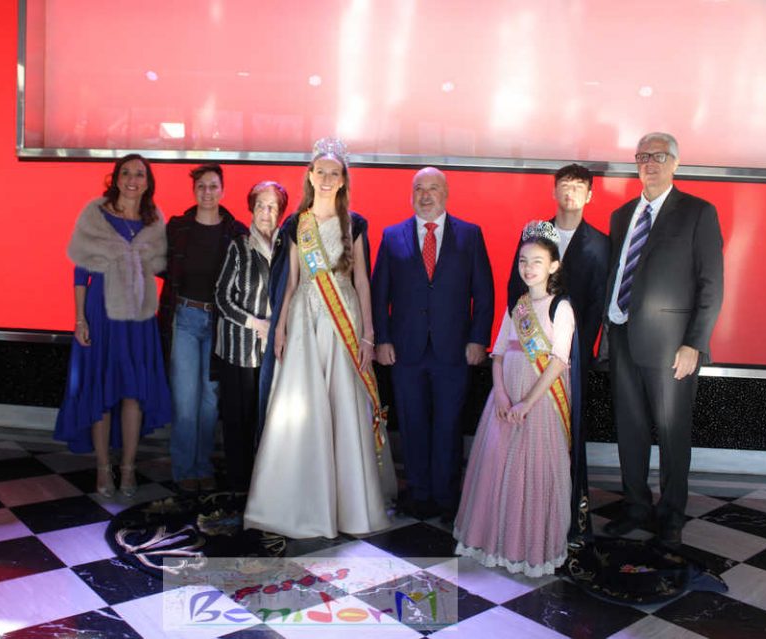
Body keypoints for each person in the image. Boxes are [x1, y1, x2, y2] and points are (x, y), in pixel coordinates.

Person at [244, 139, 396, 539]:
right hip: (305, 319)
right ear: (310, 176)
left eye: (335, 173)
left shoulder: (355, 223)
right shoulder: (297, 224)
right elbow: (292, 281)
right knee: (304, 406)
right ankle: (300, 503)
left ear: (343, 180)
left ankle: (348, 506)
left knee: (342, 405)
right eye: (321, 172)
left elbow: (362, 281)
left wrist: (368, 334)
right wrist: (280, 327)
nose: (327, 179)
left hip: (344, 316)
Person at [602, 132, 724, 549]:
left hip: (673, 346)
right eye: (642, 156)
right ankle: (635, 506)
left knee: (673, 433)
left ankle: (671, 515)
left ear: (675, 163)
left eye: (658, 156)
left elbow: (711, 284)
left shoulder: (698, 212)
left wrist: (695, 343)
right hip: (622, 336)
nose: (649, 163)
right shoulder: (621, 216)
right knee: (630, 429)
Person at [371, 167, 494, 522]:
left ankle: (445, 495)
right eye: (419, 189)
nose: (426, 195)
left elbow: (484, 294)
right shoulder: (392, 236)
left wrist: (478, 339)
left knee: (449, 424)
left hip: (454, 350)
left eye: (433, 188)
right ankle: (419, 492)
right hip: (405, 350)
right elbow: (379, 295)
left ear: (446, 193)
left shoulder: (470, 235)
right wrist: (382, 339)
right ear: (411, 195)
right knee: (411, 423)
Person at [455, 221, 575, 577]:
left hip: (540, 404)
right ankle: (494, 541)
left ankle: (528, 547)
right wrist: (503, 396)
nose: (528, 268)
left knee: (532, 475)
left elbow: (558, 363)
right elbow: (497, 355)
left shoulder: (561, 308)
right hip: (505, 403)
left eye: (537, 261)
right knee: (497, 471)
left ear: (553, 265)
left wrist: (526, 403)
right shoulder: (517, 306)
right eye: (523, 260)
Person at [55, 154, 173, 498]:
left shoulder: (154, 221)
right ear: (116, 178)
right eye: (126, 173)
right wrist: (80, 319)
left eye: (139, 174)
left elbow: (164, 267)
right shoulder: (96, 214)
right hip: (102, 313)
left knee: (134, 393)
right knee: (101, 392)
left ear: (148, 182)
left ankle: (129, 468)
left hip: (139, 317)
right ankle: (103, 467)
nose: (132, 180)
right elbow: (80, 272)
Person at [506, 163, 609, 542]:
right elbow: (514, 291)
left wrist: (578, 351)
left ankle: (565, 516)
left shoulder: (600, 243)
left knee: (567, 433)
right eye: (564, 185)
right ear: (553, 191)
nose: (570, 192)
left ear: (589, 195)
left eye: (579, 186)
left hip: (570, 357)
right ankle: (520, 513)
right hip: (527, 354)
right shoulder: (533, 234)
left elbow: (597, 303)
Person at [158, 164, 248, 492]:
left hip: (220, 323)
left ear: (222, 190)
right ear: (193, 190)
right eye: (201, 186)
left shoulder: (236, 231)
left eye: (213, 186)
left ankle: (202, 465)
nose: (207, 192)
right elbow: (161, 267)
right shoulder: (177, 227)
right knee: (185, 400)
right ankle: (184, 469)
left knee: (210, 400)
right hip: (184, 318)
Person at [213, 180, 289, 492]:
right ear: (252, 209)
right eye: (260, 205)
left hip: (275, 352)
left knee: (269, 420)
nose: (265, 212)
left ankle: (265, 487)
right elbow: (221, 297)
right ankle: (239, 487)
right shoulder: (239, 246)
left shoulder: (288, 250)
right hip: (238, 349)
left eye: (272, 206)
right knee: (238, 421)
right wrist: (255, 323)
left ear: (281, 211)